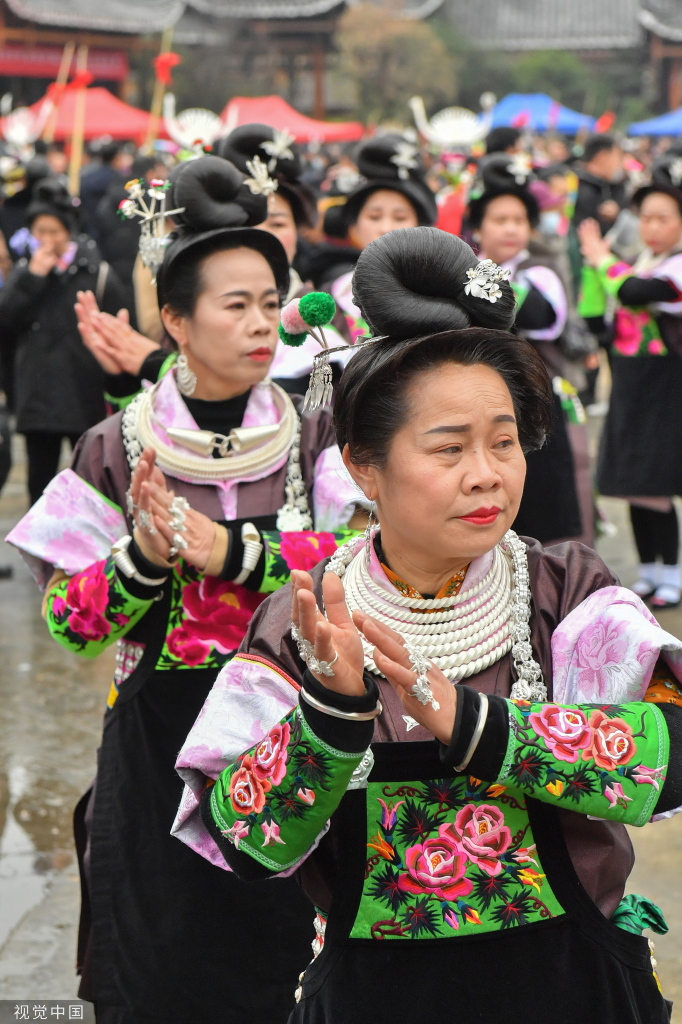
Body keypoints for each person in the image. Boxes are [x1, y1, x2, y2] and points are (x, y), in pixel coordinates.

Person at [175, 226, 681, 1024]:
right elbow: (243, 842)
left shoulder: (563, 588)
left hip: (574, 988)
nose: (487, 474)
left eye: (505, 442)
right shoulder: (303, 620)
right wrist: (334, 716)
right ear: (362, 465)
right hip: (373, 1000)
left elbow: (674, 756)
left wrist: (487, 730)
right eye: (448, 448)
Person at [5, 155, 365, 1024]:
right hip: (156, 730)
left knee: (286, 946)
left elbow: (358, 557)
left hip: (291, 730)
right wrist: (146, 559)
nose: (258, 324)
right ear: (174, 318)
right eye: (233, 304)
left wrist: (229, 551)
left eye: (270, 304)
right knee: (159, 960)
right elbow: (72, 622)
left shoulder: (315, 431)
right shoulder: (114, 447)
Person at [468, 154, 594, 546]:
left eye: (519, 221)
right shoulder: (466, 269)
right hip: (481, 405)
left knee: (548, 507)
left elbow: (542, 317)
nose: (510, 229)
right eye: (499, 220)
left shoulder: (540, 269)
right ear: (478, 228)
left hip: (539, 405)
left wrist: (479, 279)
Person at [578, 166, 682, 609]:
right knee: (637, 481)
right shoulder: (643, 259)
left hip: (664, 386)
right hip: (630, 383)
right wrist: (592, 269)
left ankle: (673, 574)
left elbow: (634, 291)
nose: (651, 227)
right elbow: (597, 314)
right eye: (645, 218)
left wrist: (599, 255)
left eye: (662, 218)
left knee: (657, 480)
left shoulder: (674, 267)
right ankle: (650, 572)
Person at [0, 178, 128, 505]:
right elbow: (6, 321)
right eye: (39, 231)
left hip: (83, 392)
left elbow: (121, 327)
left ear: (68, 231)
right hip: (37, 394)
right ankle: (40, 553)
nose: (46, 240)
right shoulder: (25, 271)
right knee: (38, 483)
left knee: (91, 482)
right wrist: (31, 279)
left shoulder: (96, 272)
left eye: (54, 231)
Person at [329, 134, 437, 344]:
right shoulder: (332, 298)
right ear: (354, 227)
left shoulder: (441, 296)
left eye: (400, 217)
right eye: (374, 217)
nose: (386, 228)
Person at [573, 134, 626, 235]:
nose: (620, 164)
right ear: (602, 157)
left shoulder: (606, 185)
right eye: (618, 156)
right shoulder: (577, 187)